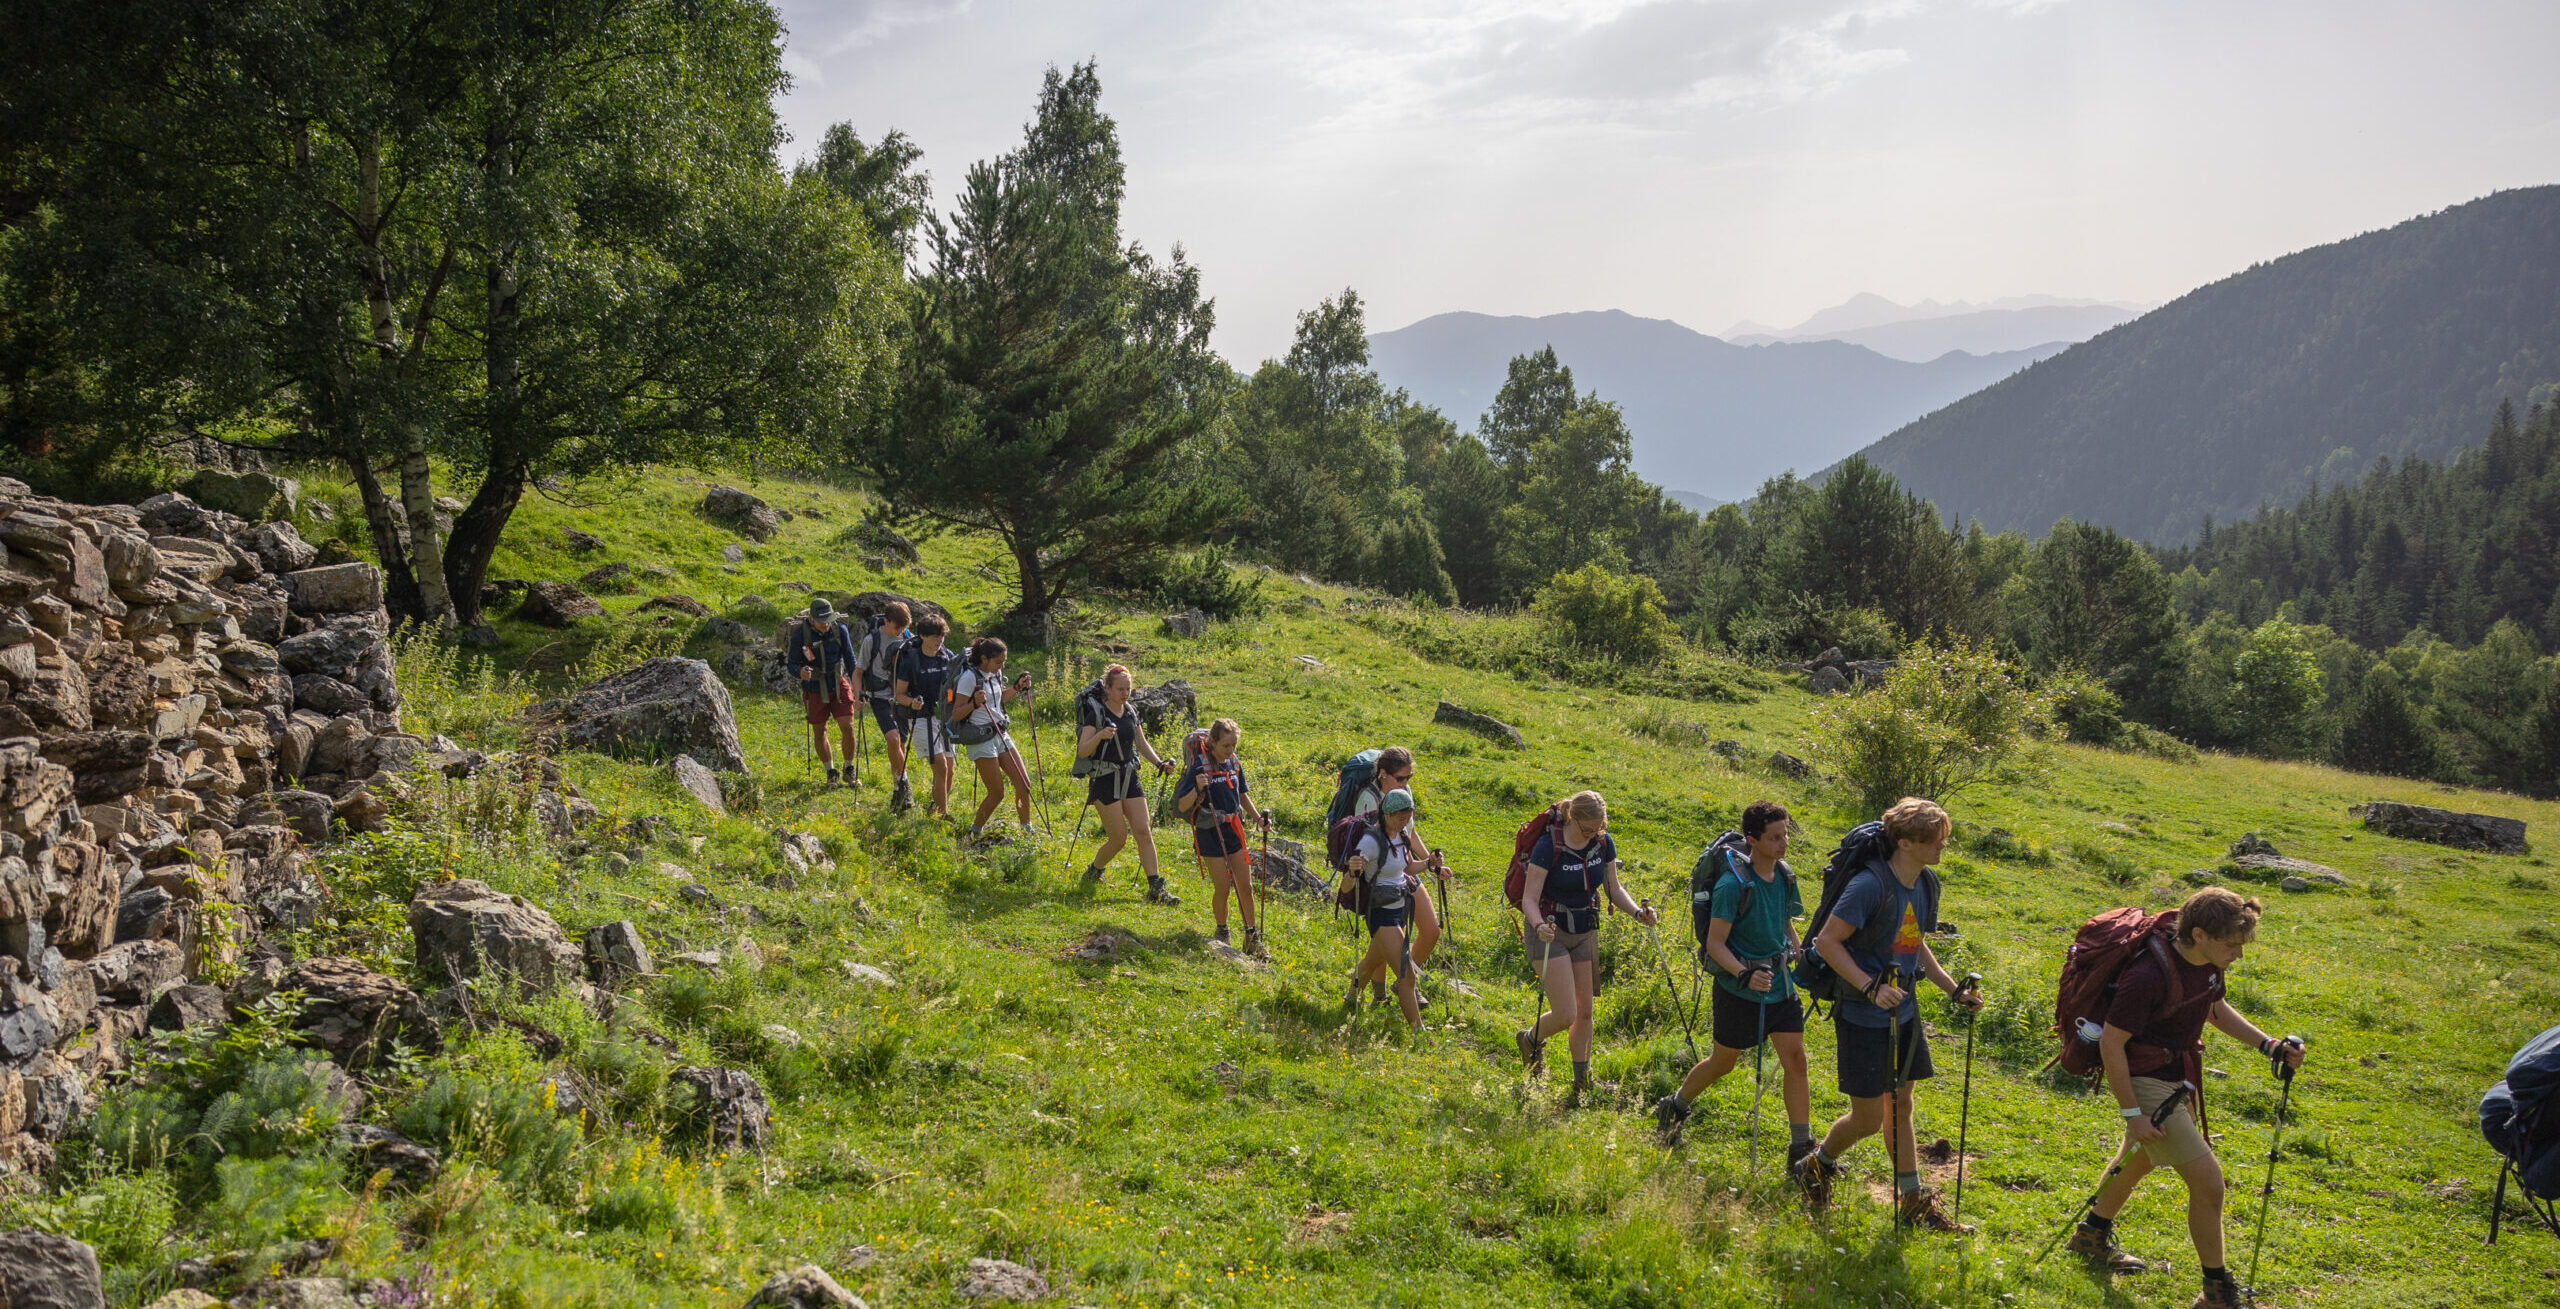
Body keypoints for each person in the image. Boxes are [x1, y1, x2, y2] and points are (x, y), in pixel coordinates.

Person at [2066, 887, 2304, 1309]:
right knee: (2209, 1183)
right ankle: (2216, 1292)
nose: (2239, 954)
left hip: (2176, 1077)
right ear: (2199, 934)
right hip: (2145, 1079)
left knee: (2138, 1159)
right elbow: (2111, 1046)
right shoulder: (2148, 976)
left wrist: (2268, 1045)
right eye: (2232, 945)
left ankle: (2090, 1236)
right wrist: (2133, 1112)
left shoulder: (2207, 963)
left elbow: (2213, 1008)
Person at [1790, 797, 1985, 1232]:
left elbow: (1914, 944)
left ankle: (1913, 1201)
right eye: (1933, 840)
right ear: (1905, 842)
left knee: (1902, 1106)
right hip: (1864, 1014)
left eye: (1942, 839)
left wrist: (1953, 990)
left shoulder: (1924, 882)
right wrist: (1868, 986)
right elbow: (1826, 942)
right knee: (1867, 1117)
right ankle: (1816, 1166)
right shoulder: (1869, 884)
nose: (1941, 847)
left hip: (1905, 1010)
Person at [1653, 801, 1813, 1165]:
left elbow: (1785, 921)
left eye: (1785, 833)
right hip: (1738, 990)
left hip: (1780, 986)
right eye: (1774, 837)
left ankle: (1801, 1149)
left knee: (1797, 1061)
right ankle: (1675, 1105)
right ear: (1752, 839)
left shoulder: (1785, 875)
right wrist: (1744, 972)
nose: (1783, 842)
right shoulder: (1731, 885)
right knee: (1723, 1063)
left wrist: (1798, 950)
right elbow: (1715, 944)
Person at [1515, 791, 1658, 1092]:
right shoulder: (1548, 846)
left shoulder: (1603, 843)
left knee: (1585, 1012)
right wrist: (1539, 925)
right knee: (1566, 1013)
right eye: (1587, 829)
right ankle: (1530, 1039)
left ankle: (1583, 1081)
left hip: (1584, 929)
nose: (1593, 834)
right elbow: (1529, 898)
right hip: (1549, 931)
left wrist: (1637, 913)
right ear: (1572, 817)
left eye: (1598, 828)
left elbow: (1613, 889)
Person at [1074, 664, 1179, 904]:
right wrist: (1100, 735)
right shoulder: (1096, 714)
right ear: (1108, 689)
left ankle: (1155, 888)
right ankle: (1094, 870)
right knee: (1119, 838)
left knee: (1143, 830)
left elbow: (1141, 744)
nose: (1125, 694)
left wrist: (1159, 763)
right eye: (1120, 689)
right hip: (1104, 779)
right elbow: (1083, 750)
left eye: (1128, 689)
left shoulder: (1130, 711)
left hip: (1129, 776)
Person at [1349, 747, 1446, 1001]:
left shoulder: (1403, 794)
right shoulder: (1368, 800)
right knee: (1382, 945)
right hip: (1380, 883)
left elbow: (1410, 832)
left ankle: (1403, 982)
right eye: (1400, 778)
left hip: (1406, 872)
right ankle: (1384, 993)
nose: (1405, 784)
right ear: (1383, 774)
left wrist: (1430, 863)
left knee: (1431, 930)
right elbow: (1365, 847)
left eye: (1408, 779)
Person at [1176, 718, 1268, 956]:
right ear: (1213, 742)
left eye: (1234, 745)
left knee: (1245, 886)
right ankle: (1222, 930)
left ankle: (1251, 936)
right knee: (1224, 886)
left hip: (1233, 829)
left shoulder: (1234, 764)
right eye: (1226, 746)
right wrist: (1197, 787)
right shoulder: (1199, 767)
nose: (1231, 751)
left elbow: (1243, 796)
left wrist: (1259, 819)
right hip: (1209, 832)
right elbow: (1182, 805)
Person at [1345, 788, 1427, 1028]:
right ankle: (1417, 1030)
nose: (1405, 822)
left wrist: (1429, 864)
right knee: (1406, 974)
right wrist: (1352, 870)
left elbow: (1409, 868)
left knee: (1372, 960)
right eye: (1401, 817)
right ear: (1387, 815)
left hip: (1400, 908)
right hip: (1381, 913)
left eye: (1408, 817)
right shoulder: (1371, 841)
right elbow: (1347, 886)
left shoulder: (1401, 836)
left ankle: (1350, 998)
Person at [953, 636, 1037, 842]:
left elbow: (998, 700)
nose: (1002, 665)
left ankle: (1027, 831)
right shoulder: (968, 678)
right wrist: (973, 703)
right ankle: (974, 831)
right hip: (980, 737)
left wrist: (1017, 687)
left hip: (1000, 732)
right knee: (997, 792)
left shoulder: (995, 673)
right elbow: (956, 714)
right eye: (998, 661)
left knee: (1024, 784)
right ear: (984, 658)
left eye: (1004, 661)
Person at [890, 613, 961, 820]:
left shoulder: (947, 656)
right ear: (922, 635)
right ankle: (942, 815)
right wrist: (912, 703)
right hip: (921, 718)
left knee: (950, 770)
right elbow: (899, 695)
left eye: (942, 636)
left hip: (944, 717)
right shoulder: (910, 661)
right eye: (935, 636)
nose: (939, 640)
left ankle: (936, 807)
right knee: (941, 766)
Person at [785, 597, 863, 787]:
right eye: (822, 621)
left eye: (828, 620)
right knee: (820, 731)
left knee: (848, 725)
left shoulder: (840, 630)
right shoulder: (799, 636)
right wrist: (800, 672)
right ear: (811, 617)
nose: (826, 625)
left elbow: (851, 660)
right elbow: (791, 664)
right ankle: (831, 772)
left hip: (838, 682)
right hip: (813, 688)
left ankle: (849, 768)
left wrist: (858, 688)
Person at [855, 601, 915, 809]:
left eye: (904, 628)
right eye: (897, 628)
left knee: (898, 745)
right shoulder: (872, 640)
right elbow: (858, 671)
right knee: (893, 737)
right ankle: (905, 783)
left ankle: (897, 788)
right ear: (886, 621)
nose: (901, 632)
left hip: (902, 696)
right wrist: (857, 695)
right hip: (879, 696)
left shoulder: (908, 637)